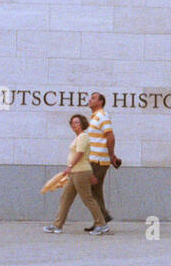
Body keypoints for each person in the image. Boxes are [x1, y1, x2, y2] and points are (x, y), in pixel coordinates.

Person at [44, 114, 109, 235]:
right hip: (75, 172)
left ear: (82, 124)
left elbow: (79, 154)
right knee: (65, 198)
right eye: (72, 123)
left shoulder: (83, 137)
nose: (74, 125)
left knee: (87, 199)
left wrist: (70, 167)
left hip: (81, 172)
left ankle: (102, 225)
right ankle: (57, 225)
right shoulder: (78, 137)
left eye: (77, 122)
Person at [85, 92, 121, 229]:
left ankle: (102, 218)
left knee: (91, 189)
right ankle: (100, 219)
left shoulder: (102, 116)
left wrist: (111, 156)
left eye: (93, 98)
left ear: (100, 102)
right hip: (93, 159)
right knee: (95, 190)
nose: (90, 100)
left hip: (99, 160)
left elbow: (110, 137)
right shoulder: (94, 117)